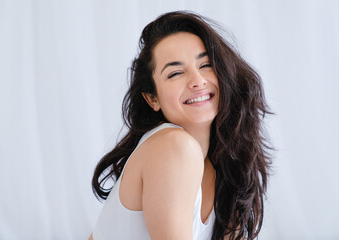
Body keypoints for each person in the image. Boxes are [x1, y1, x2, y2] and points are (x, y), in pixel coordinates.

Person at [90, 11, 271, 240]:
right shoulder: (172, 146)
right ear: (152, 99)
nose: (197, 80)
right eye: (175, 73)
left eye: (206, 64)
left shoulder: (226, 166)